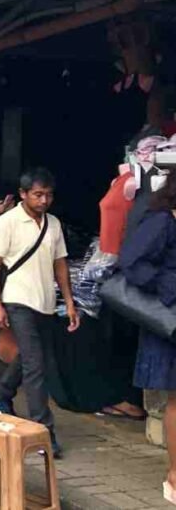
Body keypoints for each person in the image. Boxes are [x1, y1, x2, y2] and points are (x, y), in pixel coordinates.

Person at [0, 167, 79, 459]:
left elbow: (60, 264)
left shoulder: (53, 224)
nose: (44, 200)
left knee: (30, 355)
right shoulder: (8, 222)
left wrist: (70, 301)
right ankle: (43, 431)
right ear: (23, 194)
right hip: (18, 298)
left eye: (48, 195)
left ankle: (1, 393)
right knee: (37, 364)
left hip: (46, 301)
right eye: (37, 194)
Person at [118, 174, 176, 500]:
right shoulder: (162, 222)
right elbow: (131, 262)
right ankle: (174, 477)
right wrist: (169, 287)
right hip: (171, 321)